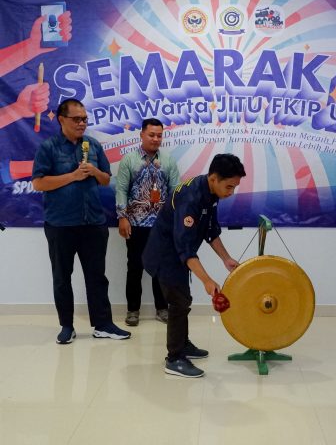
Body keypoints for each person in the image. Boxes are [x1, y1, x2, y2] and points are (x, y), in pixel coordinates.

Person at [32, 98, 131, 344]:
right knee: (61, 277)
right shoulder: (49, 147)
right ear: (61, 119)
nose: (82, 123)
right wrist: (73, 176)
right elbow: (39, 183)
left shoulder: (93, 145)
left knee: (97, 276)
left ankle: (103, 324)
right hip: (61, 225)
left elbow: (106, 179)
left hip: (93, 223)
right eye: (76, 119)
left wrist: (94, 172)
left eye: (85, 119)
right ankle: (67, 326)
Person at [143, 154, 246, 378]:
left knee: (183, 299)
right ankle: (175, 358)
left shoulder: (211, 193)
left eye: (234, 187)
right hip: (165, 254)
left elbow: (210, 230)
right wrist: (207, 280)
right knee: (179, 302)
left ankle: (183, 344)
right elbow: (185, 248)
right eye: (229, 186)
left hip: (178, 253)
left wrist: (226, 258)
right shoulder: (191, 199)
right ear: (214, 178)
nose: (231, 192)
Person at [115, 118, 180, 326]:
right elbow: (121, 189)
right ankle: (133, 310)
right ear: (142, 135)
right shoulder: (129, 160)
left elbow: (175, 192)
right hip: (135, 224)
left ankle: (162, 308)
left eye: (159, 135)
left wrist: (174, 221)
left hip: (161, 225)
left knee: (160, 269)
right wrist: (122, 217)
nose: (155, 139)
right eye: (151, 135)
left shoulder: (168, 161)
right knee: (135, 268)